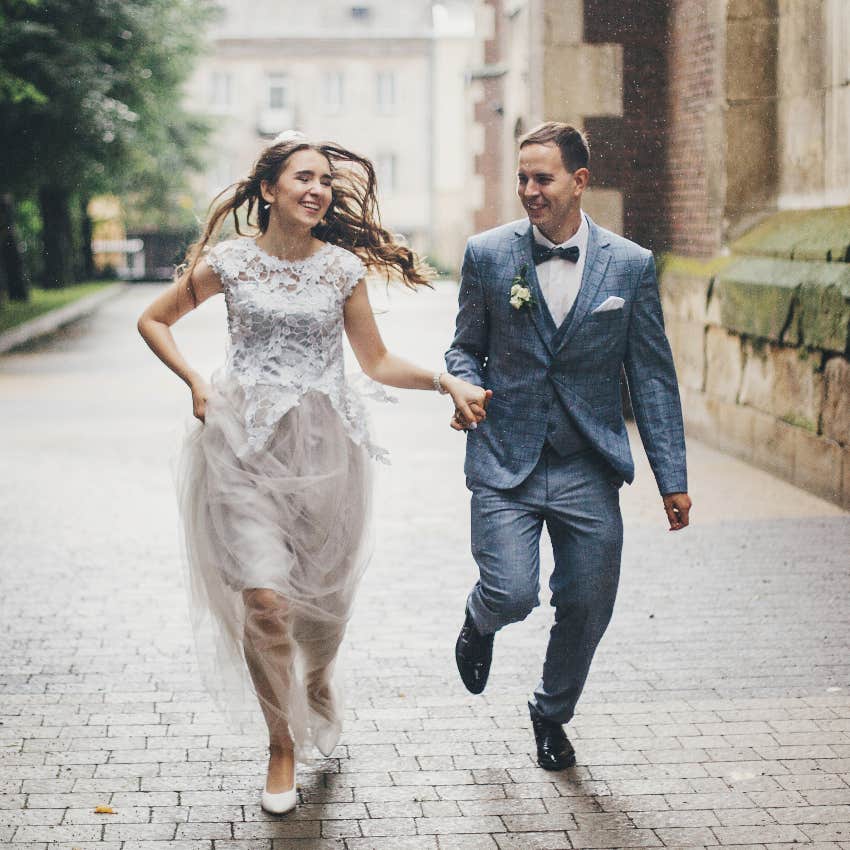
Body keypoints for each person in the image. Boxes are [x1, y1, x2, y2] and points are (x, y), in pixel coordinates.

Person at [137, 131, 488, 814]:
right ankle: (281, 745)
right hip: (240, 446)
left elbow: (378, 362)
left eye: (324, 180)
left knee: (321, 607)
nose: (316, 188)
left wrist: (447, 382)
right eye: (302, 177)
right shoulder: (230, 264)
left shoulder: (341, 271)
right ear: (268, 190)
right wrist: (194, 384)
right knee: (265, 602)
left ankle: (320, 676)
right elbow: (155, 320)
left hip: (328, 451)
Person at [446, 122, 691, 771]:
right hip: (506, 458)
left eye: (542, 177)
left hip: (588, 460)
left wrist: (673, 479)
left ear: (579, 181)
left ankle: (551, 713)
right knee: (514, 592)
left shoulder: (631, 266)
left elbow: (653, 378)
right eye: (522, 177)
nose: (528, 189)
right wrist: (463, 386)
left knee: (588, 599)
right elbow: (464, 348)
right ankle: (480, 617)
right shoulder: (488, 255)